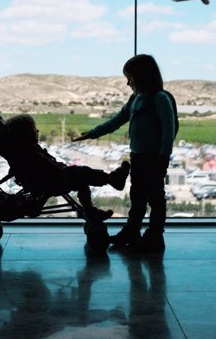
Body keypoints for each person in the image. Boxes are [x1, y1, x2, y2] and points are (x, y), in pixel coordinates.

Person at [73, 54, 177, 252]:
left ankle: (154, 237)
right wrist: (92, 134)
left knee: (155, 199)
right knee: (137, 198)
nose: (128, 82)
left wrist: (163, 158)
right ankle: (133, 231)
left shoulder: (160, 99)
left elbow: (168, 132)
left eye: (130, 77)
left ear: (141, 76)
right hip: (138, 158)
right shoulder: (136, 99)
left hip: (154, 159)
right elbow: (117, 120)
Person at [0, 114, 130, 222]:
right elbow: (47, 167)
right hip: (52, 182)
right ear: (25, 133)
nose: (37, 131)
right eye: (34, 129)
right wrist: (62, 170)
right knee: (81, 172)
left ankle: (91, 210)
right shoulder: (30, 151)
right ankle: (111, 179)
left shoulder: (22, 151)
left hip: (48, 181)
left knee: (81, 181)